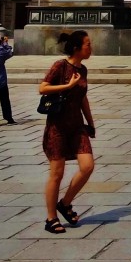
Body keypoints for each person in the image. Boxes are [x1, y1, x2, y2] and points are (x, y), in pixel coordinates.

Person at [40, 30, 96, 234]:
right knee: (57, 173)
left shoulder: (84, 70)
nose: (91, 48)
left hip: (77, 126)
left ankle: (65, 203)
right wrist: (67, 85)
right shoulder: (60, 66)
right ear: (77, 48)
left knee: (88, 166)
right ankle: (51, 218)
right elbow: (43, 88)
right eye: (88, 44)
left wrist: (90, 122)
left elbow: (82, 98)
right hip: (57, 126)